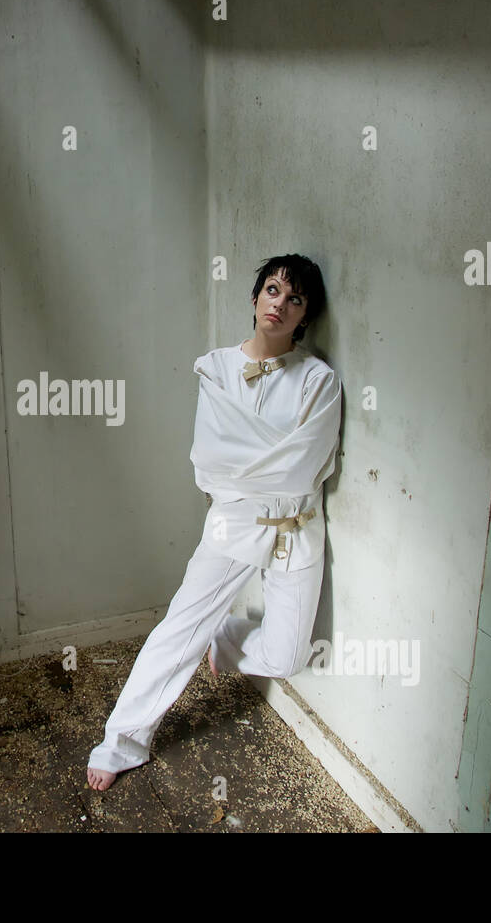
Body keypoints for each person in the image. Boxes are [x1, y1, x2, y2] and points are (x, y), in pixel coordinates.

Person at [86, 253, 342, 791]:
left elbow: (307, 467)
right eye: (273, 290)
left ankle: (225, 640)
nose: (280, 304)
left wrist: (255, 464)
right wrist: (265, 465)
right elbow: (210, 462)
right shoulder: (216, 368)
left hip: (299, 527)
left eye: (294, 299)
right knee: (179, 627)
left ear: (304, 315)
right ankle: (122, 741)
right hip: (234, 522)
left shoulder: (320, 381)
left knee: (289, 657)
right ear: (255, 298)